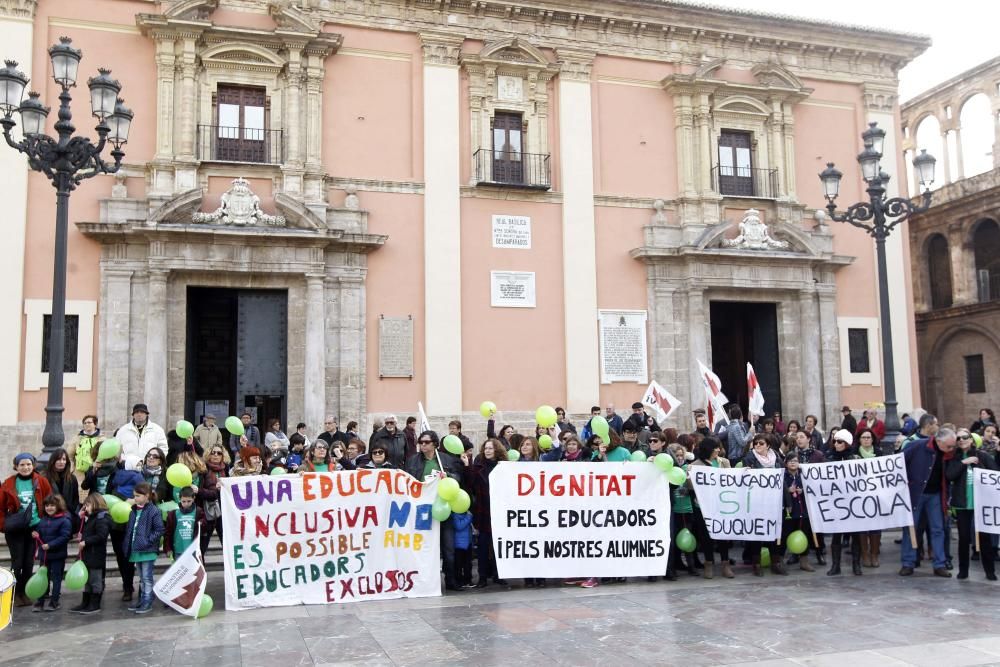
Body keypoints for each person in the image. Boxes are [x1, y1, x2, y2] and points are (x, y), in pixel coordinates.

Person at [80, 450, 142, 601]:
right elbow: (85, 485)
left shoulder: (120, 473)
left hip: (120, 516)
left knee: (123, 553)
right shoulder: (96, 469)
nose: (107, 459)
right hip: (100, 515)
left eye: (110, 456)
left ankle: (127, 586)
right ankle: (97, 587)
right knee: (101, 551)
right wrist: (93, 471)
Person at [406, 430, 463, 591]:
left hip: (443, 507)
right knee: (422, 548)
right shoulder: (412, 461)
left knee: (448, 547)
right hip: (422, 510)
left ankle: (451, 580)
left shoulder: (446, 460)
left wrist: (449, 475)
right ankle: (422, 581)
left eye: (426, 442)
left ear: (435, 444)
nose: (422, 445)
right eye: (420, 442)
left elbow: (458, 479)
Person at [900, 427, 957, 577]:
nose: (951, 449)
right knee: (911, 528)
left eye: (953, 446)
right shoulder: (917, 446)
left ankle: (939, 564)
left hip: (936, 495)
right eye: (949, 446)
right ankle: (908, 563)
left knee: (938, 529)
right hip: (916, 494)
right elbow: (898, 463)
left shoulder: (949, 453)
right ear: (938, 441)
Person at [1, 453, 53, 607]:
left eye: (28, 464)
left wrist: (46, 522)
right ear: (16, 467)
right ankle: (14, 594)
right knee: (17, 562)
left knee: (29, 562)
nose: (25, 467)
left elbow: (50, 500)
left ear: (33, 465)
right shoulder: (9, 483)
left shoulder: (41, 481)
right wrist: (4, 525)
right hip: (15, 529)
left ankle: (25, 592)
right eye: (22, 465)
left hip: (34, 528)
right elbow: (0, 507)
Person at [946, 428, 997, 581]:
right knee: (963, 538)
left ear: (972, 439)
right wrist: (963, 462)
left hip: (981, 504)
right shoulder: (954, 458)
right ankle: (963, 570)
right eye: (958, 438)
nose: (961, 440)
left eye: (965, 437)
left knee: (985, 538)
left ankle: (989, 571)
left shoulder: (983, 456)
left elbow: (995, 474)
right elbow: (949, 475)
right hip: (962, 504)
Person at [463, 438, 507, 587]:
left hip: (500, 512)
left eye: (491, 448)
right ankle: (482, 577)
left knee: (498, 545)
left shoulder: (504, 467)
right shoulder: (478, 466)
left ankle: (498, 574)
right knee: (482, 545)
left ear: (497, 450)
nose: (488, 451)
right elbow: (470, 485)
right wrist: (467, 466)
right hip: (483, 511)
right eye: (486, 448)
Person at [742, 434, 786, 576]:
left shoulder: (777, 458)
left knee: (774, 531)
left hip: (774, 502)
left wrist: (787, 500)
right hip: (757, 501)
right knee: (757, 532)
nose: (758, 446)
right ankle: (757, 563)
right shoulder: (749, 458)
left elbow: (782, 480)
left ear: (768, 445)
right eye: (755, 443)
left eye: (761, 443)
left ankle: (775, 562)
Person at [690, 438, 734, 579]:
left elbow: (732, 480)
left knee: (723, 534)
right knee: (705, 535)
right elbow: (689, 485)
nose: (718, 450)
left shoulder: (724, 462)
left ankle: (725, 563)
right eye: (715, 448)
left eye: (718, 448)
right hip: (702, 507)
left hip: (721, 505)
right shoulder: (695, 465)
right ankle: (708, 563)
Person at [825, 430, 862, 576]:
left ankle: (856, 565)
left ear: (847, 443)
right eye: (834, 441)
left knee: (856, 535)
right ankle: (835, 565)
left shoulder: (855, 458)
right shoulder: (828, 458)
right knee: (836, 536)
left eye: (839, 442)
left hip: (853, 502)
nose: (836, 444)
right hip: (836, 502)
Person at [123, 482, 164, 614]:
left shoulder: (154, 510)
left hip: (147, 550)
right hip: (137, 549)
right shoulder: (133, 511)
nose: (135, 498)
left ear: (147, 496)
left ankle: (148, 600)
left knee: (147, 577)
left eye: (138, 496)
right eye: (134, 496)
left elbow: (159, 530)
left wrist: (147, 541)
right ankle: (142, 599)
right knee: (141, 576)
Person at [29, 494, 72, 612]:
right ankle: (40, 601)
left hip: (58, 555)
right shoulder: (43, 519)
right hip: (44, 555)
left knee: (56, 578)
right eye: (47, 505)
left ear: (58, 506)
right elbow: (40, 532)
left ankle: (54, 602)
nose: (49, 508)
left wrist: (50, 545)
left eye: (52, 505)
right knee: (43, 578)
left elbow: (65, 537)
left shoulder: (65, 520)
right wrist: (36, 534)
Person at [71, 493, 111, 614]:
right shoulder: (91, 517)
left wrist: (86, 542)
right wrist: (81, 517)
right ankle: (86, 602)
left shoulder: (102, 518)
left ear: (95, 504)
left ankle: (95, 603)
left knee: (95, 580)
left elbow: (101, 536)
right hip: (87, 555)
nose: (85, 508)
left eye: (87, 505)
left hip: (95, 555)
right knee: (87, 580)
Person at [777, 453, 815, 572]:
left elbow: (813, 489)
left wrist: (803, 491)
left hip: (803, 512)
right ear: (786, 463)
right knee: (784, 537)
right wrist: (787, 490)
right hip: (788, 512)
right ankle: (780, 561)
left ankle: (804, 561)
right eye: (790, 461)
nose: (793, 463)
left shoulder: (804, 475)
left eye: (795, 460)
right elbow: (777, 492)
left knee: (804, 535)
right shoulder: (782, 476)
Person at [42, 448, 80, 533]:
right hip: (50, 516)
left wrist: (70, 511)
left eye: (64, 459)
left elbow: (75, 498)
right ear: (53, 461)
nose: (61, 462)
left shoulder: (72, 478)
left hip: (67, 516)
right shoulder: (45, 477)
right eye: (58, 459)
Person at [199, 445, 227, 554]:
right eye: (213, 452)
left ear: (223, 456)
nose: (216, 455)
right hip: (207, 510)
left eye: (219, 453)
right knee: (202, 545)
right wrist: (215, 491)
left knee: (226, 543)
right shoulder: (203, 469)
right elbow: (199, 490)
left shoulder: (227, 469)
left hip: (224, 510)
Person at [164, 486, 203, 560]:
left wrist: (202, 523)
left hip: (193, 550)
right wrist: (168, 548)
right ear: (179, 500)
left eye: (189, 501)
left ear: (193, 498)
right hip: (178, 549)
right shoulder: (173, 513)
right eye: (183, 501)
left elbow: (204, 528)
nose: (186, 504)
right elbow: (168, 532)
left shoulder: (198, 512)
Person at [66, 415, 104, 484]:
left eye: (89, 422)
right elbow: (69, 455)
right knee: (80, 492)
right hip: (79, 473)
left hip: (96, 471)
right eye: (85, 423)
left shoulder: (102, 439)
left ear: (95, 424)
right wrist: (71, 469)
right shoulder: (77, 438)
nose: (86, 424)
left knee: (94, 493)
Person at [453, 508, 474, 589]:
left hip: (468, 543)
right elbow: (459, 526)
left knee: (468, 564)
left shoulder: (467, 514)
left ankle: (468, 580)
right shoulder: (454, 515)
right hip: (459, 544)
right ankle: (459, 581)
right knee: (458, 564)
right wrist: (469, 517)